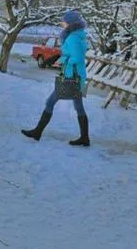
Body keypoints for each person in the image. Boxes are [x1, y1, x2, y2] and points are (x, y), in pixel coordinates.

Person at [21, 10, 90, 147]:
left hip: (71, 77)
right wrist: (60, 58)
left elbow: (77, 58)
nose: (62, 23)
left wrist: (63, 60)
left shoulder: (73, 38)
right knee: (79, 107)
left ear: (71, 23)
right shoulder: (76, 36)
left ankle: (37, 132)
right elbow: (74, 55)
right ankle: (84, 138)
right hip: (77, 77)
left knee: (50, 102)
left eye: (64, 21)